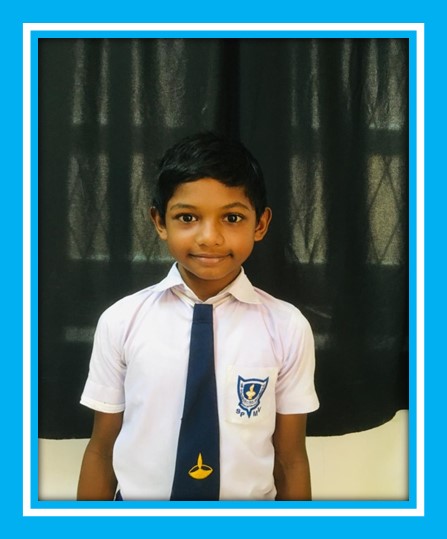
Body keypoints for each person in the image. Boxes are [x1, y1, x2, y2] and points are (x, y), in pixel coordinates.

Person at [77, 132, 319, 501]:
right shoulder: (122, 321)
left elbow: (290, 460)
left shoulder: (287, 327)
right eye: (187, 217)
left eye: (232, 217)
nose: (209, 237)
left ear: (260, 224)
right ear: (160, 221)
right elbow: (101, 451)